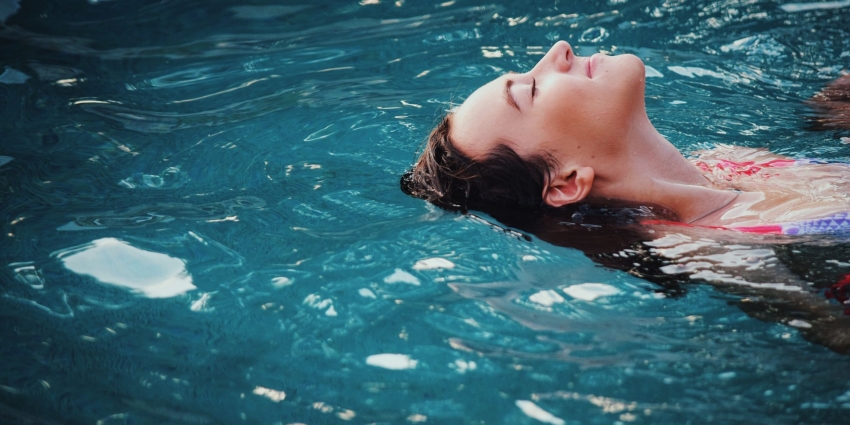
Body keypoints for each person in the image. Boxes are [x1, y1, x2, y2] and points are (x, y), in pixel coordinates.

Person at [402, 41, 850, 235]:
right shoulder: (712, 246)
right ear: (564, 184)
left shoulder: (728, 160)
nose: (559, 50)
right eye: (532, 90)